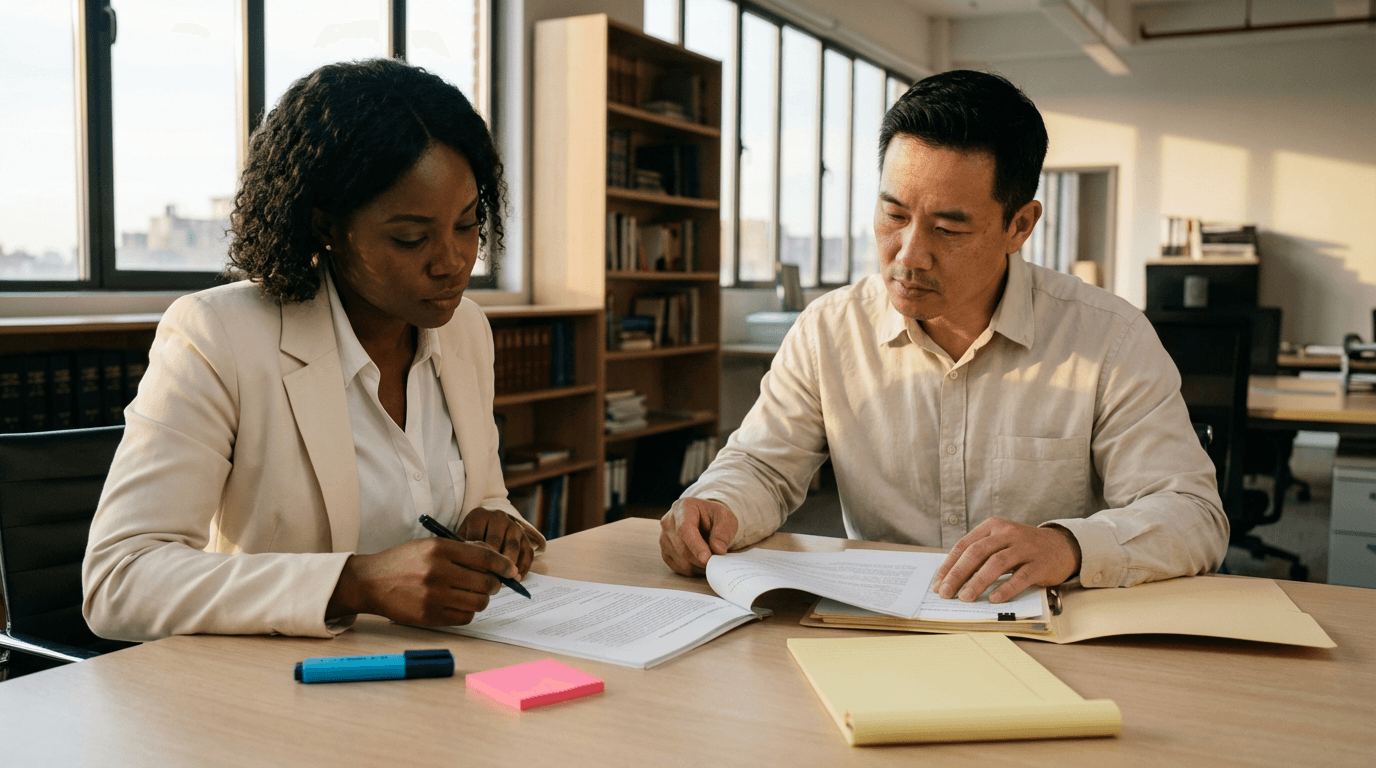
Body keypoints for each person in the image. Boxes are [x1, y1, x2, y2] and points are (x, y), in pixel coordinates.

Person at [660, 70, 1228, 603]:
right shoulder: (830, 330)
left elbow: (1192, 512)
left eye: (948, 228)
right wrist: (717, 505)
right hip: (878, 624)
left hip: (1044, 625)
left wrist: (1067, 545)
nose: (908, 256)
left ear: (1020, 226)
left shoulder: (1110, 339)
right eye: (893, 215)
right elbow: (762, 465)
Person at [83, 58, 542, 642]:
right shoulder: (218, 337)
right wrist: (356, 584)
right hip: (284, 696)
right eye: (410, 237)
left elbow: (485, 493)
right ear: (326, 225)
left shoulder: (467, 330)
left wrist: (496, 522)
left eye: (468, 223)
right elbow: (118, 581)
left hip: (443, 674)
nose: (454, 263)